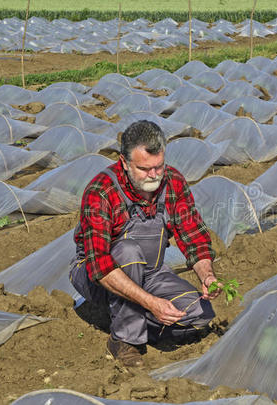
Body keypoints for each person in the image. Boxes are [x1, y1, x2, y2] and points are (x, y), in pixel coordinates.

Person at [70, 120, 220, 367]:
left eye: (158, 167)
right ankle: (124, 340)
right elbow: (100, 265)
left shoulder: (172, 181)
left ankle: (128, 317)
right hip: (96, 274)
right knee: (128, 251)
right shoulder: (102, 191)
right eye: (144, 168)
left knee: (199, 314)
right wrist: (151, 303)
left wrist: (207, 276)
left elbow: (193, 236)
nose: (154, 175)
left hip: (151, 272)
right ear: (125, 163)